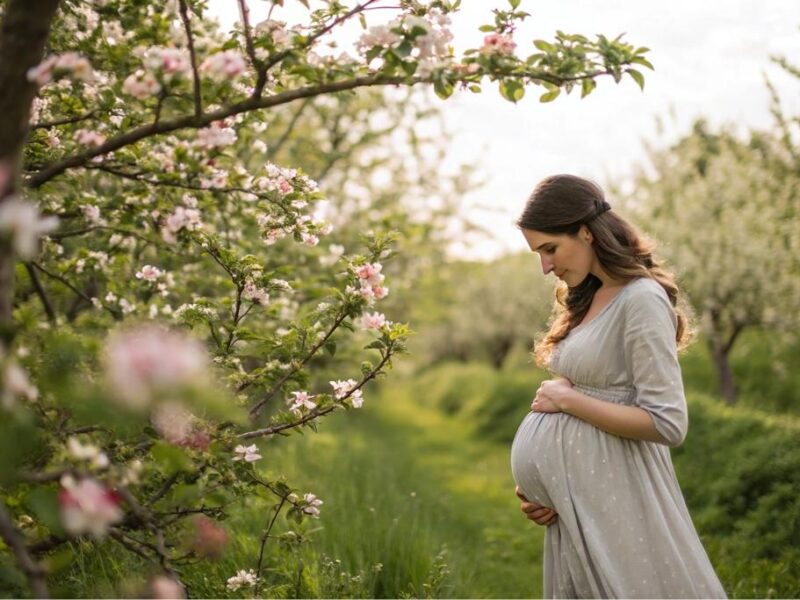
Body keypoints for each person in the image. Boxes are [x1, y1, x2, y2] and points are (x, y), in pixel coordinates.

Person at [509, 174, 726, 598]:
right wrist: (548, 488)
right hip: (581, 504)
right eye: (539, 254)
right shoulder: (590, 296)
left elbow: (668, 423)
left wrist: (568, 401)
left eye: (550, 249)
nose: (546, 266)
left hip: (620, 495)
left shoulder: (641, 298)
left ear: (586, 232)